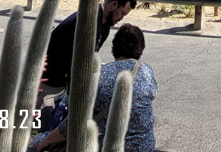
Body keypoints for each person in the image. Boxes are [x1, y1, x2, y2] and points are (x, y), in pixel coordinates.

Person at [29, 24, 157, 152]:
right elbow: (152, 93)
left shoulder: (100, 76)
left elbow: (73, 124)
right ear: (140, 49)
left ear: (114, 47)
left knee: (33, 144)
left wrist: (46, 141)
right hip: (145, 146)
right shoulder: (146, 71)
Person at [41, 0, 136, 96]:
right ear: (114, 5)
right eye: (122, 13)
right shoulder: (88, 20)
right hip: (49, 81)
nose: (121, 18)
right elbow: (77, 60)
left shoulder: (105, 26)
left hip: (64, 82)